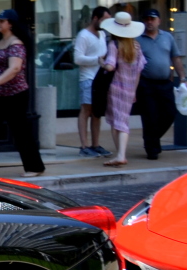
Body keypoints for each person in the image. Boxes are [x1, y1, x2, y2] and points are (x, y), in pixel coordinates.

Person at [0, 9, 45, 178]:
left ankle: (34, 166)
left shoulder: (16, 44)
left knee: (21, 131)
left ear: (10, 24)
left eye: (2, 21)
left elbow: (14, 69)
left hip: (15, 95)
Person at [136, 9, 185, 160]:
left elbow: (175, 58)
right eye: (146, 19)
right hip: (146, 84)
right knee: (150, 116)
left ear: (159, 21)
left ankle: (152, 139)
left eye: (152, 19)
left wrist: (182, 77)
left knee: (170, 113)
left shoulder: (167, 37)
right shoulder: (138, 39)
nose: (149, 22)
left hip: (165, 83)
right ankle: (152, 148)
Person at [100, 12, 146, 167]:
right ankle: (120, 154)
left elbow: (110, 66)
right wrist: (134, 90)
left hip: (116, 87)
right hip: (129, 89)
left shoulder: (114, 45)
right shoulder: (137, 47)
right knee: (123, 120)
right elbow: (139, 70)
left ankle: (120, 154)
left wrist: (101, 62)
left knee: (116, 122)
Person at [73, 7, 112, 157]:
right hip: (88, 78)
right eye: (104, 20)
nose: (106, 23)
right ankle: (84, 145)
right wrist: (97, 60)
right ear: (95, 18)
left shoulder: (102, 34)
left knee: (97, 113)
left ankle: (96, 144)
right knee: (86, 110)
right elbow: (77, 58)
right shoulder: (83, 35)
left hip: (100, 78)